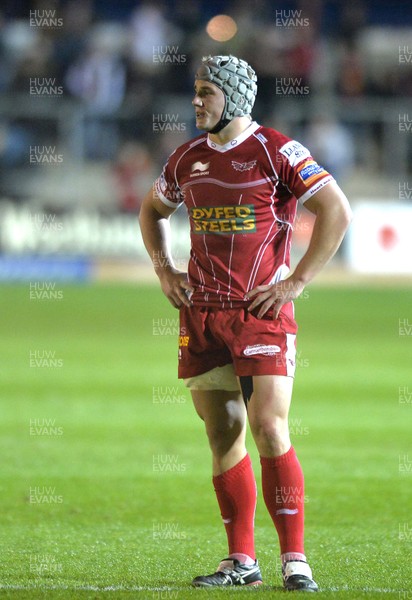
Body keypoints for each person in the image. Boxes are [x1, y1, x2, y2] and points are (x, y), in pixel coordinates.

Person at [139, 54, 352, 592]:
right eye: (195, 91)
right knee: (222, 432)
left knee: (269, 427)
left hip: (260, 314)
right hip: (201, 315)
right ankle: (242, 561)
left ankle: (295, 560)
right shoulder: (187, 158)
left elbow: (336, 210)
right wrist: (165, 270)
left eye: (206, 92)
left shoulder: (277, 150)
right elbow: (152, 212)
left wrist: (296, 282)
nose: (196, 102)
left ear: (233, 97)